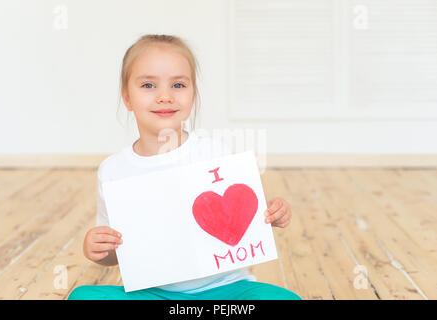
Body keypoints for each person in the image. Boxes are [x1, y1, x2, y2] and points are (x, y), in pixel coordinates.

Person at [67, 34, 301, 300]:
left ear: (193, 94)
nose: (165, 96)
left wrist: (273, 213)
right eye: (148, 85)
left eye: (178, 85)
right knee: (83, 297)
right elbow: (115, 251)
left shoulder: (214, 152)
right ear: (127, 98)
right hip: (154, 293)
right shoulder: (113, 170)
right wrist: (98, 249)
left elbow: (244, 215)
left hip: (228, 290)